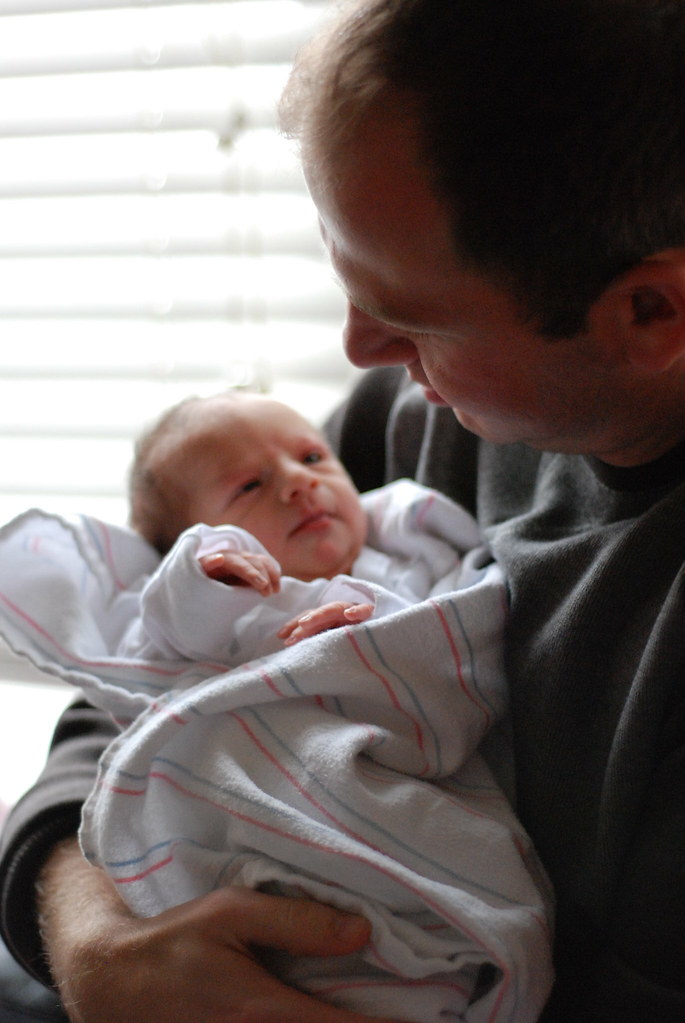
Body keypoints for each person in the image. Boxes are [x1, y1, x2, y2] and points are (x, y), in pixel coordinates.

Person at [2, 0, 685, 1020]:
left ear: (649, 313)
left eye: (411, 315)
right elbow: (131, 685)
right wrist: (99, 945)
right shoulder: (412, 418)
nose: (360, 349)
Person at [0, 391, 553, 1022]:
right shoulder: (235, 600)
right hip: (273, 815)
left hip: (412, 782)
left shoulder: (405, 546)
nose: (297, 482)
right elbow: (163, 640)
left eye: (314, 457)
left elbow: (468, 617)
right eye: (250, 486)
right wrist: (213, 577)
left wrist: (379, 633)